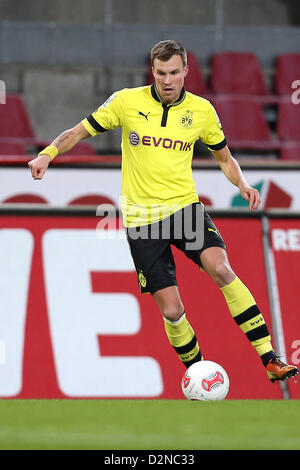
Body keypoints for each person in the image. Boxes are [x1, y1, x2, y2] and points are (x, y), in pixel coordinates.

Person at [29, 39, 298, 384]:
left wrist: (242, 184)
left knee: (222, 268)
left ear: (186, 71)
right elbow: (79, 131)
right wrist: (48, 153)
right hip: (143, 222)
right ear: (152, 72)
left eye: (174, 73)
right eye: (160, 73)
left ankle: (270, 357)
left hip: (185, 209)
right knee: (172, 310)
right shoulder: (127, 102)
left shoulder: (202, 111)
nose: (167, 80)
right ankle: (199, 376)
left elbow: (224, 158)